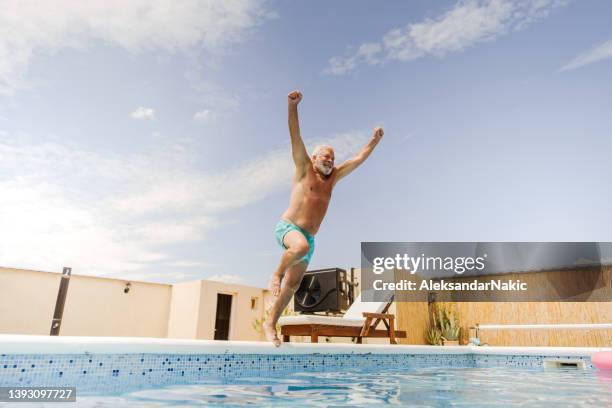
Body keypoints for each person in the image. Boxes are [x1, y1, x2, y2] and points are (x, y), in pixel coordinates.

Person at [263, 90, 384, 346]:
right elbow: (295, 135)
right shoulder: (303, 167)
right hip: (289, 228)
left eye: (332, 157)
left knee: (293, 286)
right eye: (325, 157)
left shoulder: (334, 178)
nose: (329, 160)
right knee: (300, 247)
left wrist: (374, 141)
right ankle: (275, 273)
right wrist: (292, 106)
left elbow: (358, 159)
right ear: (315, 158)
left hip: (308, 237)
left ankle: (270, 323)